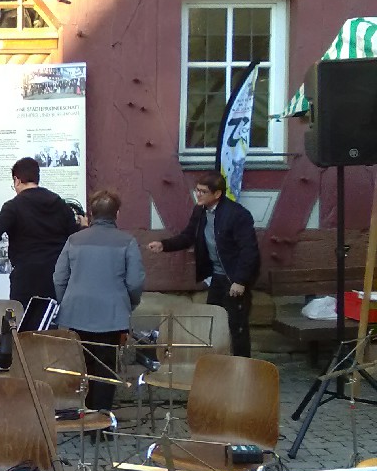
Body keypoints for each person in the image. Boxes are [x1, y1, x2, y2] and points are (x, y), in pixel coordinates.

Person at [147, 170, 260, 358]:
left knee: (237, 326)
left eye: (203, 191)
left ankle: (242, 366)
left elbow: (249, 250)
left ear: (217, 194)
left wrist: (240, 280)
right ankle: (215, 363)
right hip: (216, 278)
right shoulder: (200, 210)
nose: (198, 194)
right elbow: (188, 236)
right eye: (197, 190)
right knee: (213, 322)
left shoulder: (237, 215)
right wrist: (164, 245)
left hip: (233, 278)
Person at [0, 157, 81, 330]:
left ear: (17, 180)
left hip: (26, 275)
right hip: (55, 274)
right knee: (50, 327)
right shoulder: (59, 203)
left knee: (24, 327)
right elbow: (74, 234)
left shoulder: (14, 205)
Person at [53, 190, 145, 410]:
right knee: (106, 367)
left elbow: (59, 277)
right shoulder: (127, 242)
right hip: (111, 315)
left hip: (76, 313)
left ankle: (84, 413)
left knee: (82, 365)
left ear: (91, 214)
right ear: (117, 214)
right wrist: (128, 304)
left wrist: (66, 303)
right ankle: (102, 417)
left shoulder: (74, 240)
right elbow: (135, 282)